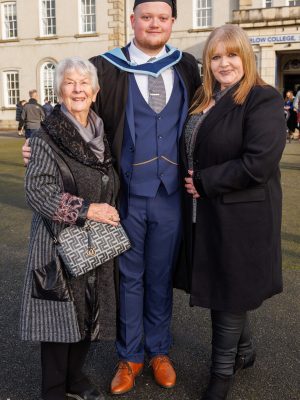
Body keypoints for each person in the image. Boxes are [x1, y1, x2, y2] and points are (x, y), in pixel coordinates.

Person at [21, 1, 200, 394]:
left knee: (160, 277)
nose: (154, 23)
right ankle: (130, 355)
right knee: (128, 278)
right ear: (133, 21)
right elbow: (75, 110)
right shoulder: (106, 67)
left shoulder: (187, 65)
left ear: (172, 23)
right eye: (146, 16)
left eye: (163, 18)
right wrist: (40, 141)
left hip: (170, 194)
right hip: (124, 195)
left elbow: (205, 117)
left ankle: (159, 350)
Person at [177, 24, 286, 399]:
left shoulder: (263, 98)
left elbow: (260, 161)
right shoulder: (202, 98)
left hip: (241, 215)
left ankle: (221, 375)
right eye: (216, 56)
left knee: (227, 290)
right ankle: (245, 350)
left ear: (246, 56)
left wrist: (205, 181)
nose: (224, 63)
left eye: (232, 54)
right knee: (226, 286)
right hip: (201, 212)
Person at [20, 57, 121, 400]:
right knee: (58, 318)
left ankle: (74, 380)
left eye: (84, 83)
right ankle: (53, 390)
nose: (77, 89)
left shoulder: (100, 131)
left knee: (88, 314)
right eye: (69, 82)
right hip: (58, 241)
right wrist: (89, 209)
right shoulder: (45, 135)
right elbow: (37, 192)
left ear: (95, 92)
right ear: (60, 90)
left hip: (95, 242)